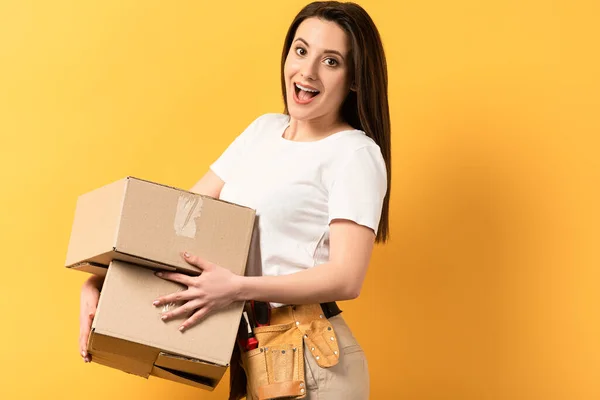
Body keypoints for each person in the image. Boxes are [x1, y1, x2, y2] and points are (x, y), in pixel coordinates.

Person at [79, 1, 391, 399]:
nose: (307, 71)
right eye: (301, 50)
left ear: (354, 80)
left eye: (330, 61)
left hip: (315, 362)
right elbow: (180, 222)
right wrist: (101, 278)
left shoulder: (354, 154)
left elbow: (346, 276)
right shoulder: (263, 131)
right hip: (255, 354)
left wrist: (237, 287)